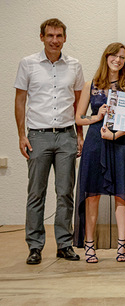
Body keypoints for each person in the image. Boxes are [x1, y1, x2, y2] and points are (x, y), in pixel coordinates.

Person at [14, 18, 84, 264]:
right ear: (42, 37)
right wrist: (22, 134)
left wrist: (79, 135)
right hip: (38, 136)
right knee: (36, 193)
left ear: (65, 38)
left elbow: (78, 104)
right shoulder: (28, 64)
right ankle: (35, 246)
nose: (55, 40)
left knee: (65, 193)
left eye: (59, 36)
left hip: (66, 135)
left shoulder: (74, 66)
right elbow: (20, 100)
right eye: (50, 35)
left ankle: (64, 245)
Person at [72, 42, 125, 263]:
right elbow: (78, 118)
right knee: (92, 195)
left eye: (122, 57)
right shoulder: (90, 84)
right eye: (114, 56)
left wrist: (114, 135)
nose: (118, 60)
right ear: (106, 57)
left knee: (122, 195)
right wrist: (97, 116)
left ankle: (122, 246)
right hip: (95, 143)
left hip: (120, 143)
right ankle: (89, 246)